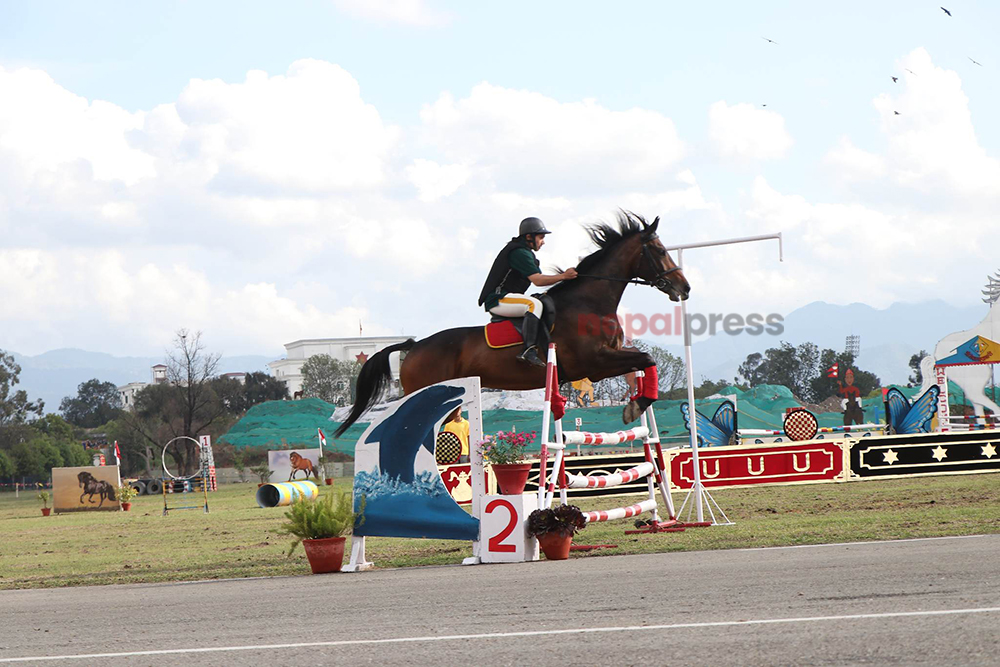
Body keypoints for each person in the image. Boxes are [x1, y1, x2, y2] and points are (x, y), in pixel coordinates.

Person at [478, 217, 578, 367]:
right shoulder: (519, 252)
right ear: (529, 237)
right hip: (497, 299)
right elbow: (538, 280)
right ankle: (528, 349)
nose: (543, 241)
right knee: (534, 305)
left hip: (506, 297)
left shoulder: (524, 251)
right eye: (541, 237)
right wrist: (564, 276)